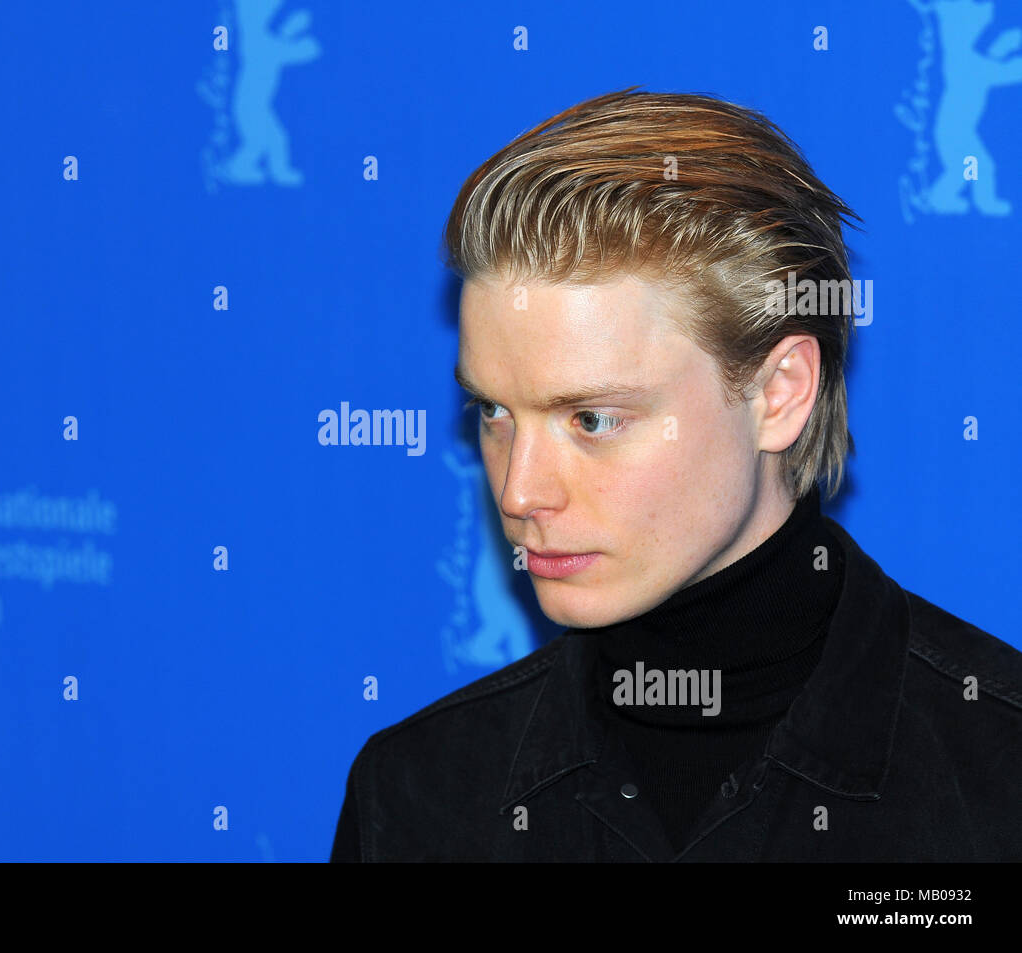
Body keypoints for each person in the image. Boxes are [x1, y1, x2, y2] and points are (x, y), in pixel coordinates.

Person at [329, 88, 1022, 862]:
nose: (520, 493)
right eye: (494, 413)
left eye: (592, 419)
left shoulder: (997, 776)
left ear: (780, 392)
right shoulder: (418, 793)